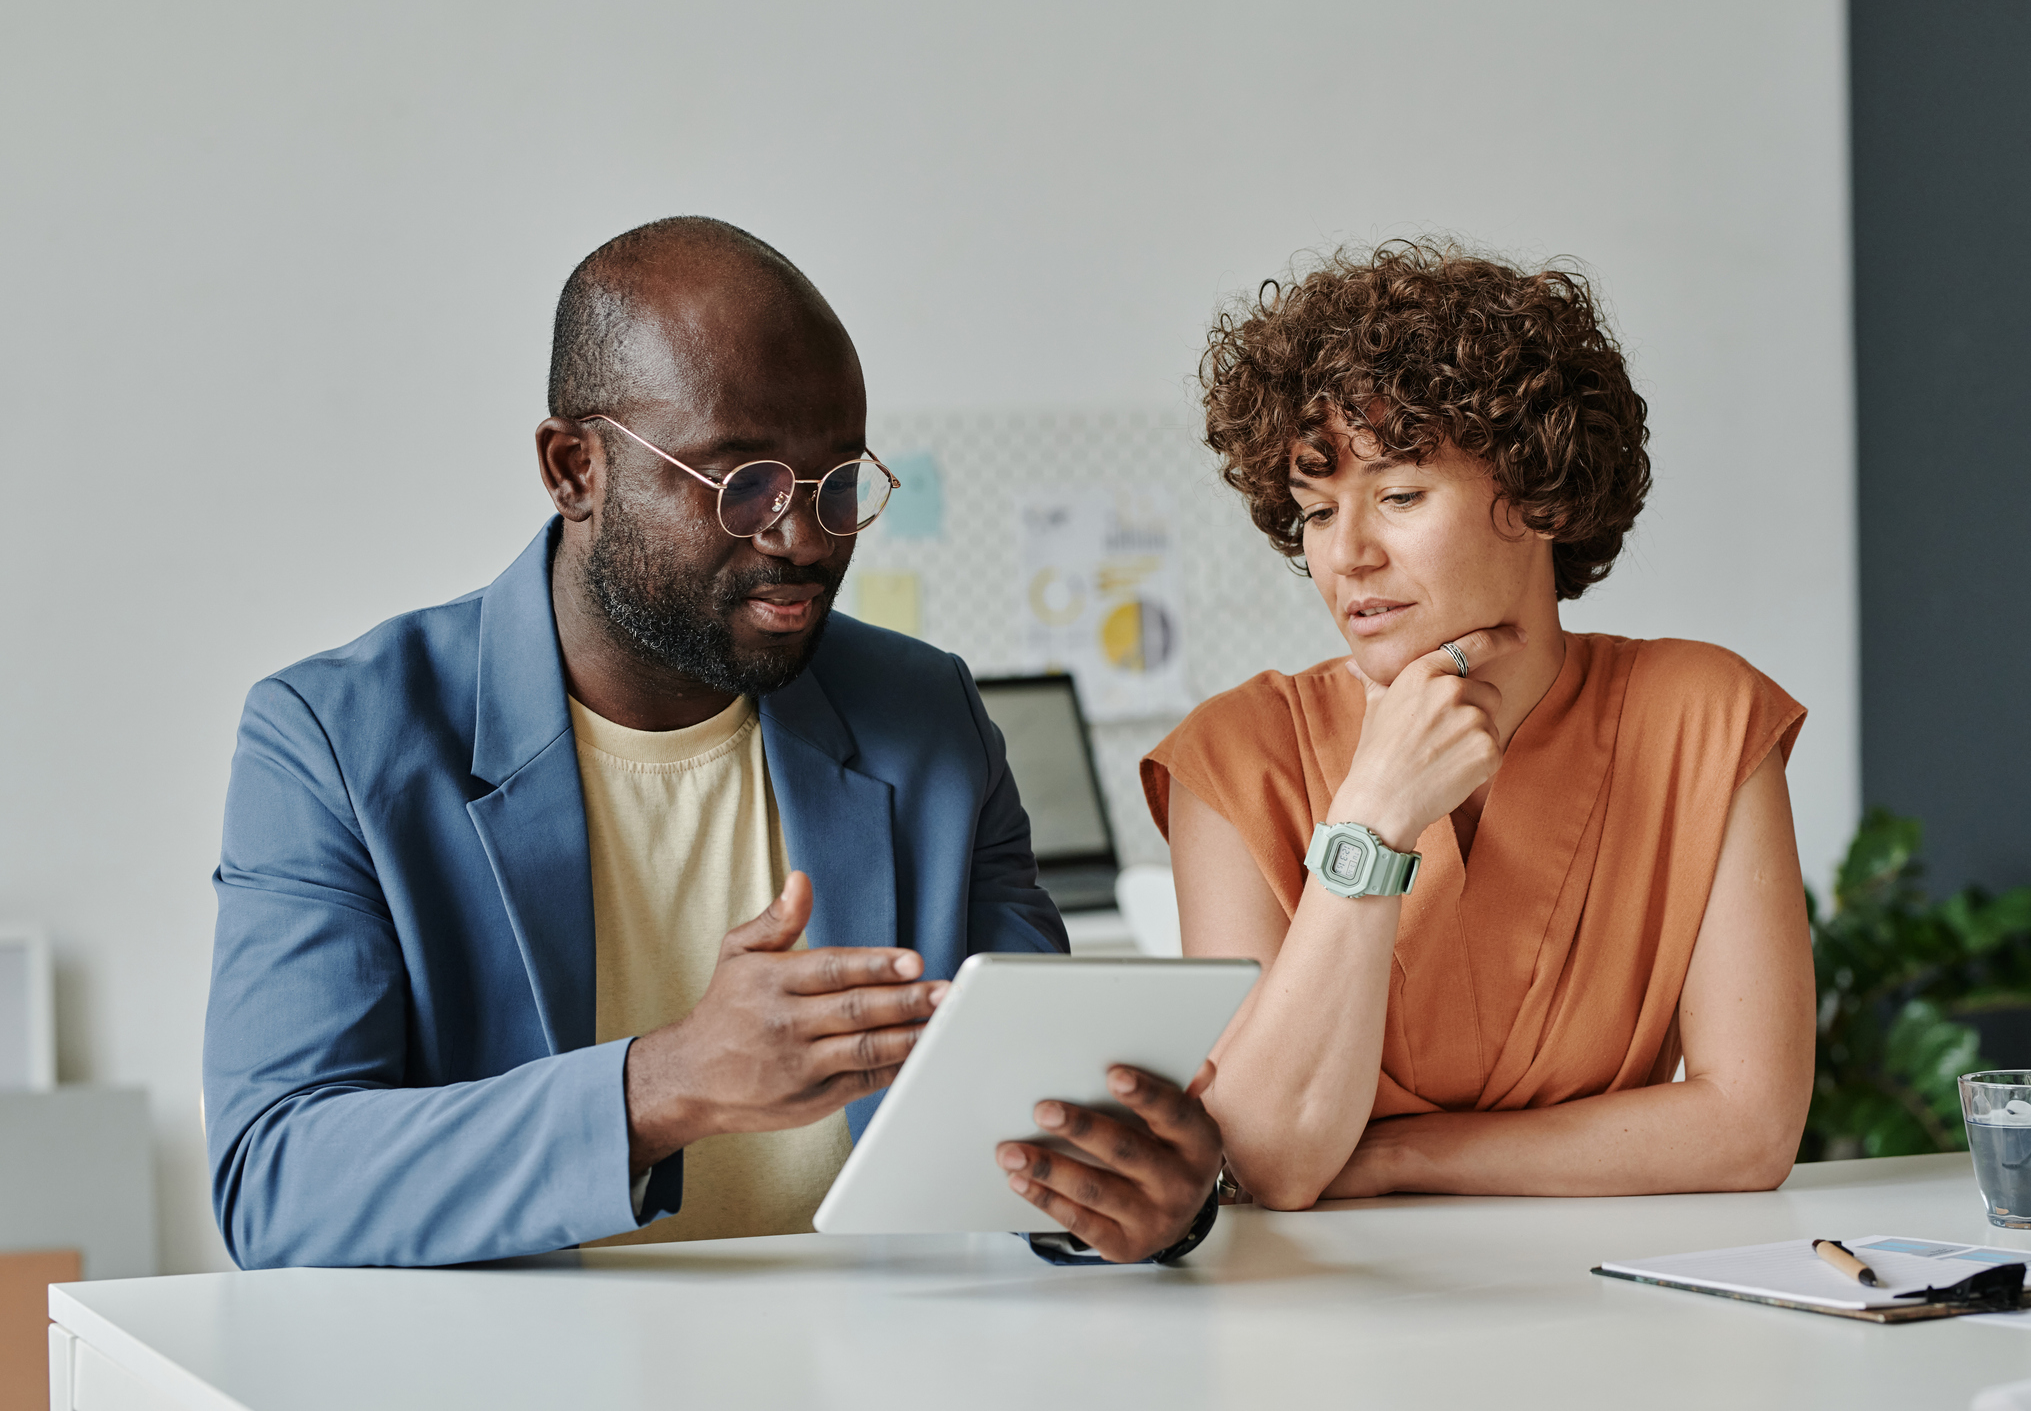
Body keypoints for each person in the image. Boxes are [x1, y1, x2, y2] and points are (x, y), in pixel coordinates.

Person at [205, 216, 1221, 1269]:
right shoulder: (333, 740)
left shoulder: (929, 721)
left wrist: (1138, 1198)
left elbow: (1034, 1126)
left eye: (836, 483)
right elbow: (277, 1179)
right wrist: (666, 1082)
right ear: (574, 469)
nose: (807, 539)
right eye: (745, 485)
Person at [1143, 241, 1815, 1212]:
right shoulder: (1233, 755)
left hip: (1623, 1300)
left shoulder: (1704, 718)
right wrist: (1372, 815)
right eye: (1318, 511)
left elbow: (1748, 1128)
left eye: (1400, 496)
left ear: (1542, 494)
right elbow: (1270, 1157)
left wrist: (1406, 1158)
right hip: (1324, 1323)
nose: (1349, 556)